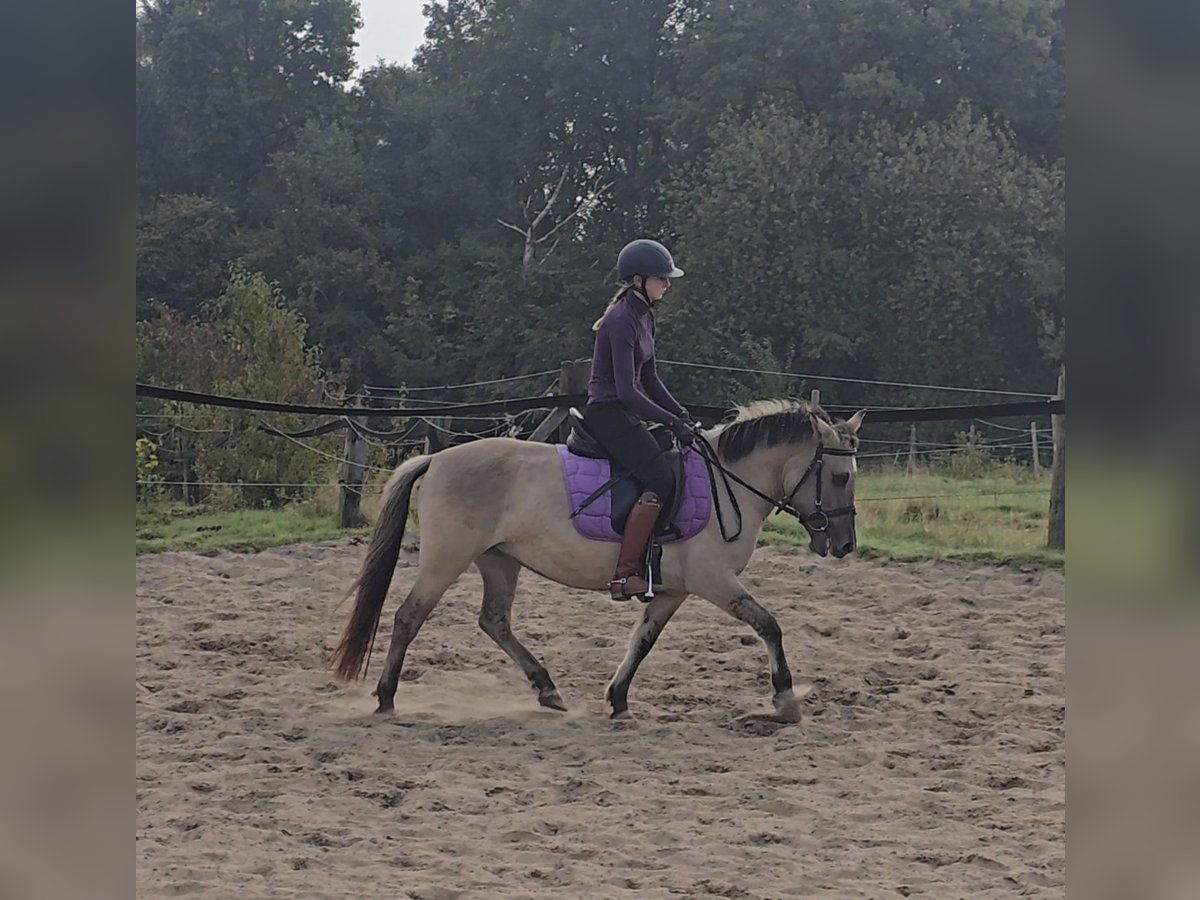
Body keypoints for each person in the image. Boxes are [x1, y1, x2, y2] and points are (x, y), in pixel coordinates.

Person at [584, 238, 701, 600]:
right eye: (661, 278)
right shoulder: (620, 321)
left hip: (625, 411)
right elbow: (626, 391)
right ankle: (624, 574)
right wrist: (669, 421)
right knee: (659, 478)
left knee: (669, 463)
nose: (666, 284)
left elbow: (650, 379)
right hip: (608, 413)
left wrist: (681, 414)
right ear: (638, 280)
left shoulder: (645, 316)